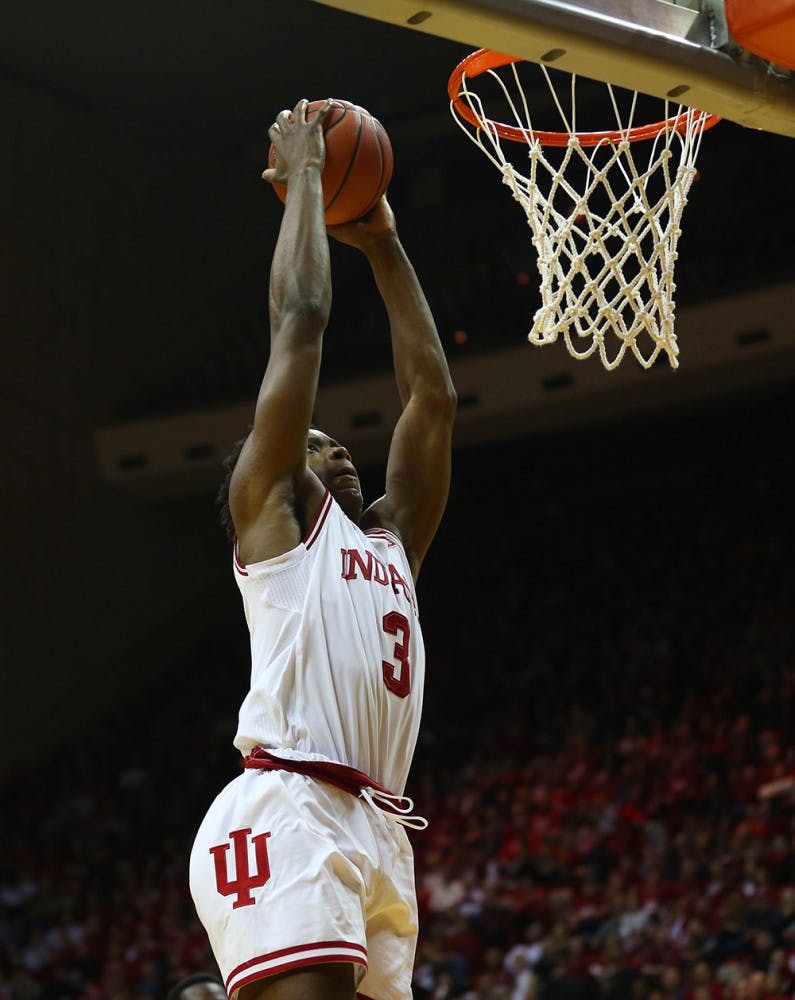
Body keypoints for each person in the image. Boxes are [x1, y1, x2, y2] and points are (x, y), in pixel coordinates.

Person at [189, 98, 456, 1000]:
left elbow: (432, 401)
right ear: (271, 474)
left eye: (336, 440)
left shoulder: (389, 543)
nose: (335, 446)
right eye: (313, 441)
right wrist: (306, 173)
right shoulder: (272, 525)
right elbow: (299, 319)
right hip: (290, 804)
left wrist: (383, 244)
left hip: (375, 823)